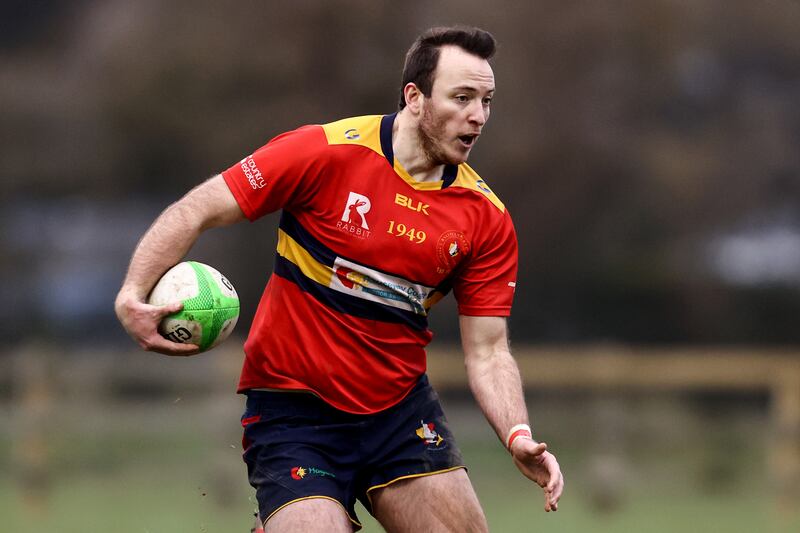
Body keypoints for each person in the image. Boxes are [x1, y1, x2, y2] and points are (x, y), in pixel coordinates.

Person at [115, 25, 564, 532]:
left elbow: (488, 351)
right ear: (414, 98)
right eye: (461, 98)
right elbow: (198, 209)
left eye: (486, 100)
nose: (478, 116)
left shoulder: (486, 218)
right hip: (293, 411)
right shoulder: (323, 152)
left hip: (398, 413)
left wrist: (517, 433)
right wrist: (133, 292)